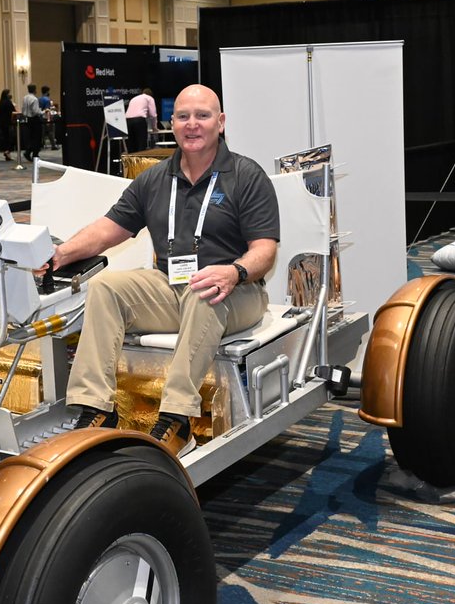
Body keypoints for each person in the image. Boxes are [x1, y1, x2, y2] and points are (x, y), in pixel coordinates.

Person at [47, 85, 279, 457]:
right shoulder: (155, 179)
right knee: (106, 288)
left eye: (202, 116)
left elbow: (265, 251)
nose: (192, 124)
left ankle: (177, 419)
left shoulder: (246, 175)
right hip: (173, 286)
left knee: (205, 289)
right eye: (183, 116)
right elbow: (107, 229)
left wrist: (234, 271)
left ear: (220, 122)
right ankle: (96, 409)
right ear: (172, 124)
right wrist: (61, 253)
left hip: (238, 291)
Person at [124, 88, 157, 153]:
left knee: (131, 145)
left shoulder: (134, 98)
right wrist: (154, 127)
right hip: (139, 121)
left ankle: (131, 159)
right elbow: (153, 115)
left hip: (127, 121)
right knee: (141, 145)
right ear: (150, 95)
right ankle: (140, 159)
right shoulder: (149, 98)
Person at [21, 83, 43, 161]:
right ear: (34, 90)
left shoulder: (25, 98)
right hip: (34, 119)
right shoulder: (34, 99)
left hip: (27, 119)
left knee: (31, 137)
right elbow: (35, 111)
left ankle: (29, 151)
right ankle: (34, 154)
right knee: (37, 137)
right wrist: (43, 112)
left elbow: (23, 109)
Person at [0, 89, 16, 161]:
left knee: (5, 137)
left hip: (1, 121)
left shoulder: (1, 102)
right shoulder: (8, 102)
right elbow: (13, 110)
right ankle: (8, 151)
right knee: (11, 137)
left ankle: (7, 153)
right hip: (8, 122)